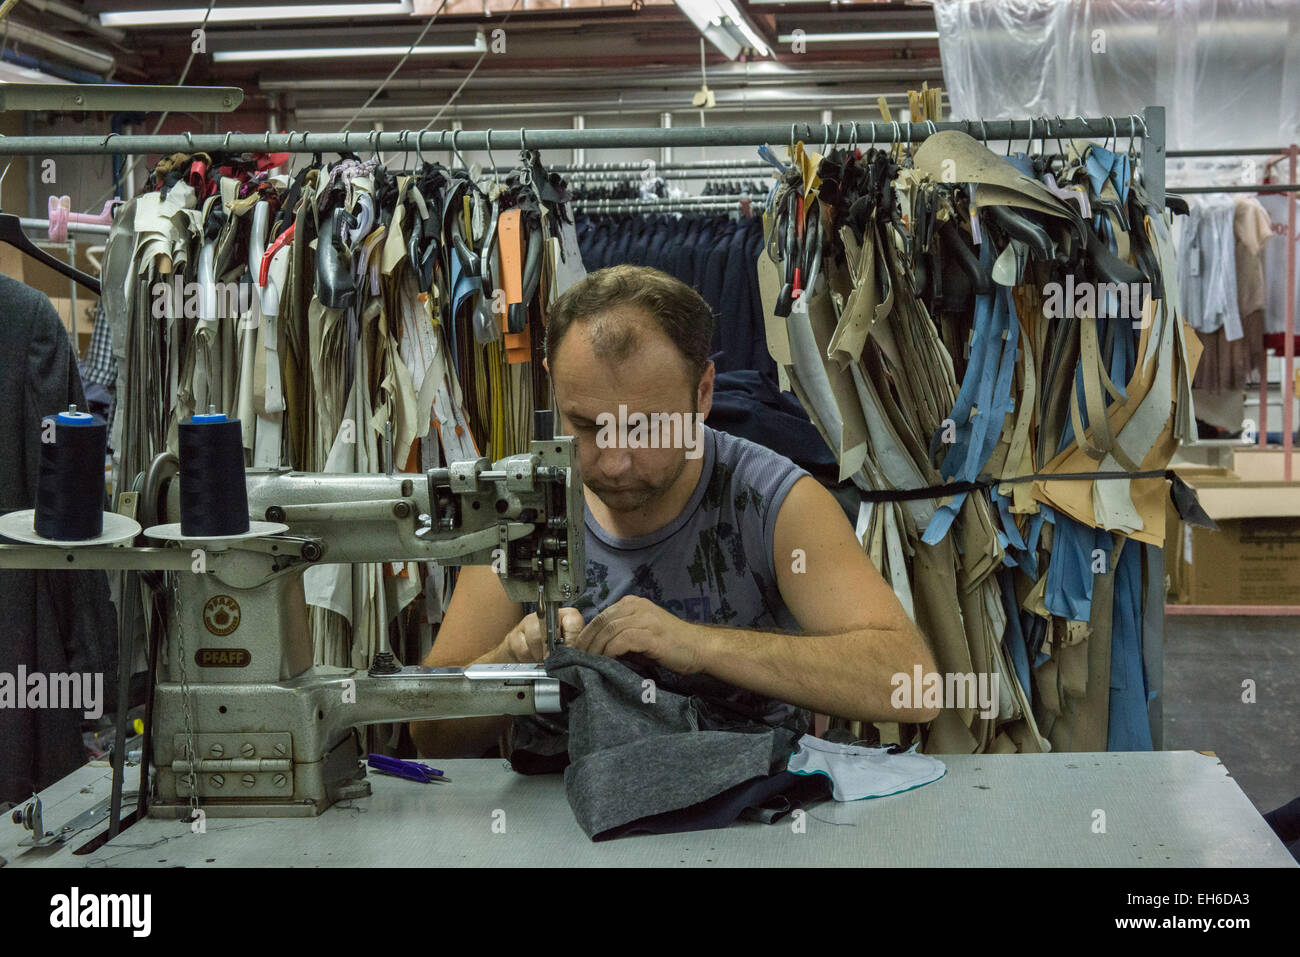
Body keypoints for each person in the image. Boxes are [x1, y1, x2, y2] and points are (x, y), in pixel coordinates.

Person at [411, 264, 939, 757]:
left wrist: (697, 645)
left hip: (742, 824)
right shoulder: (521, 503)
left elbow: (909, 684)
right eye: (587, 426)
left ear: (702, 393)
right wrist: (511, 660)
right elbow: (430, 735)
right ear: (553, 381)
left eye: (645, 427)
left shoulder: (772, 501)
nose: (616, 461)